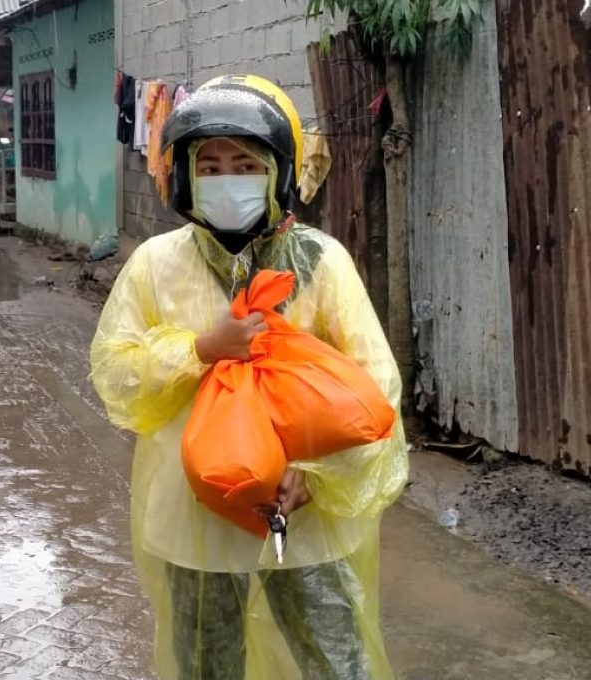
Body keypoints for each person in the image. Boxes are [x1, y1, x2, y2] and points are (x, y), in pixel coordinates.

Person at [89, 75, 408, 680]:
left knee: (338, 660)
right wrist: (199, 350)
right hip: (196, 515)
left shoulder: (320, 263)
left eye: (244, 164)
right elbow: (114, 373)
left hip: (303, 515)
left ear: (278, 172)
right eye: (208, 166)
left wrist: (315, 475)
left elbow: (377, 388)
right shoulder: (156, 264)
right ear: (183, 176)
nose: (225, 178)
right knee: (207, 663)